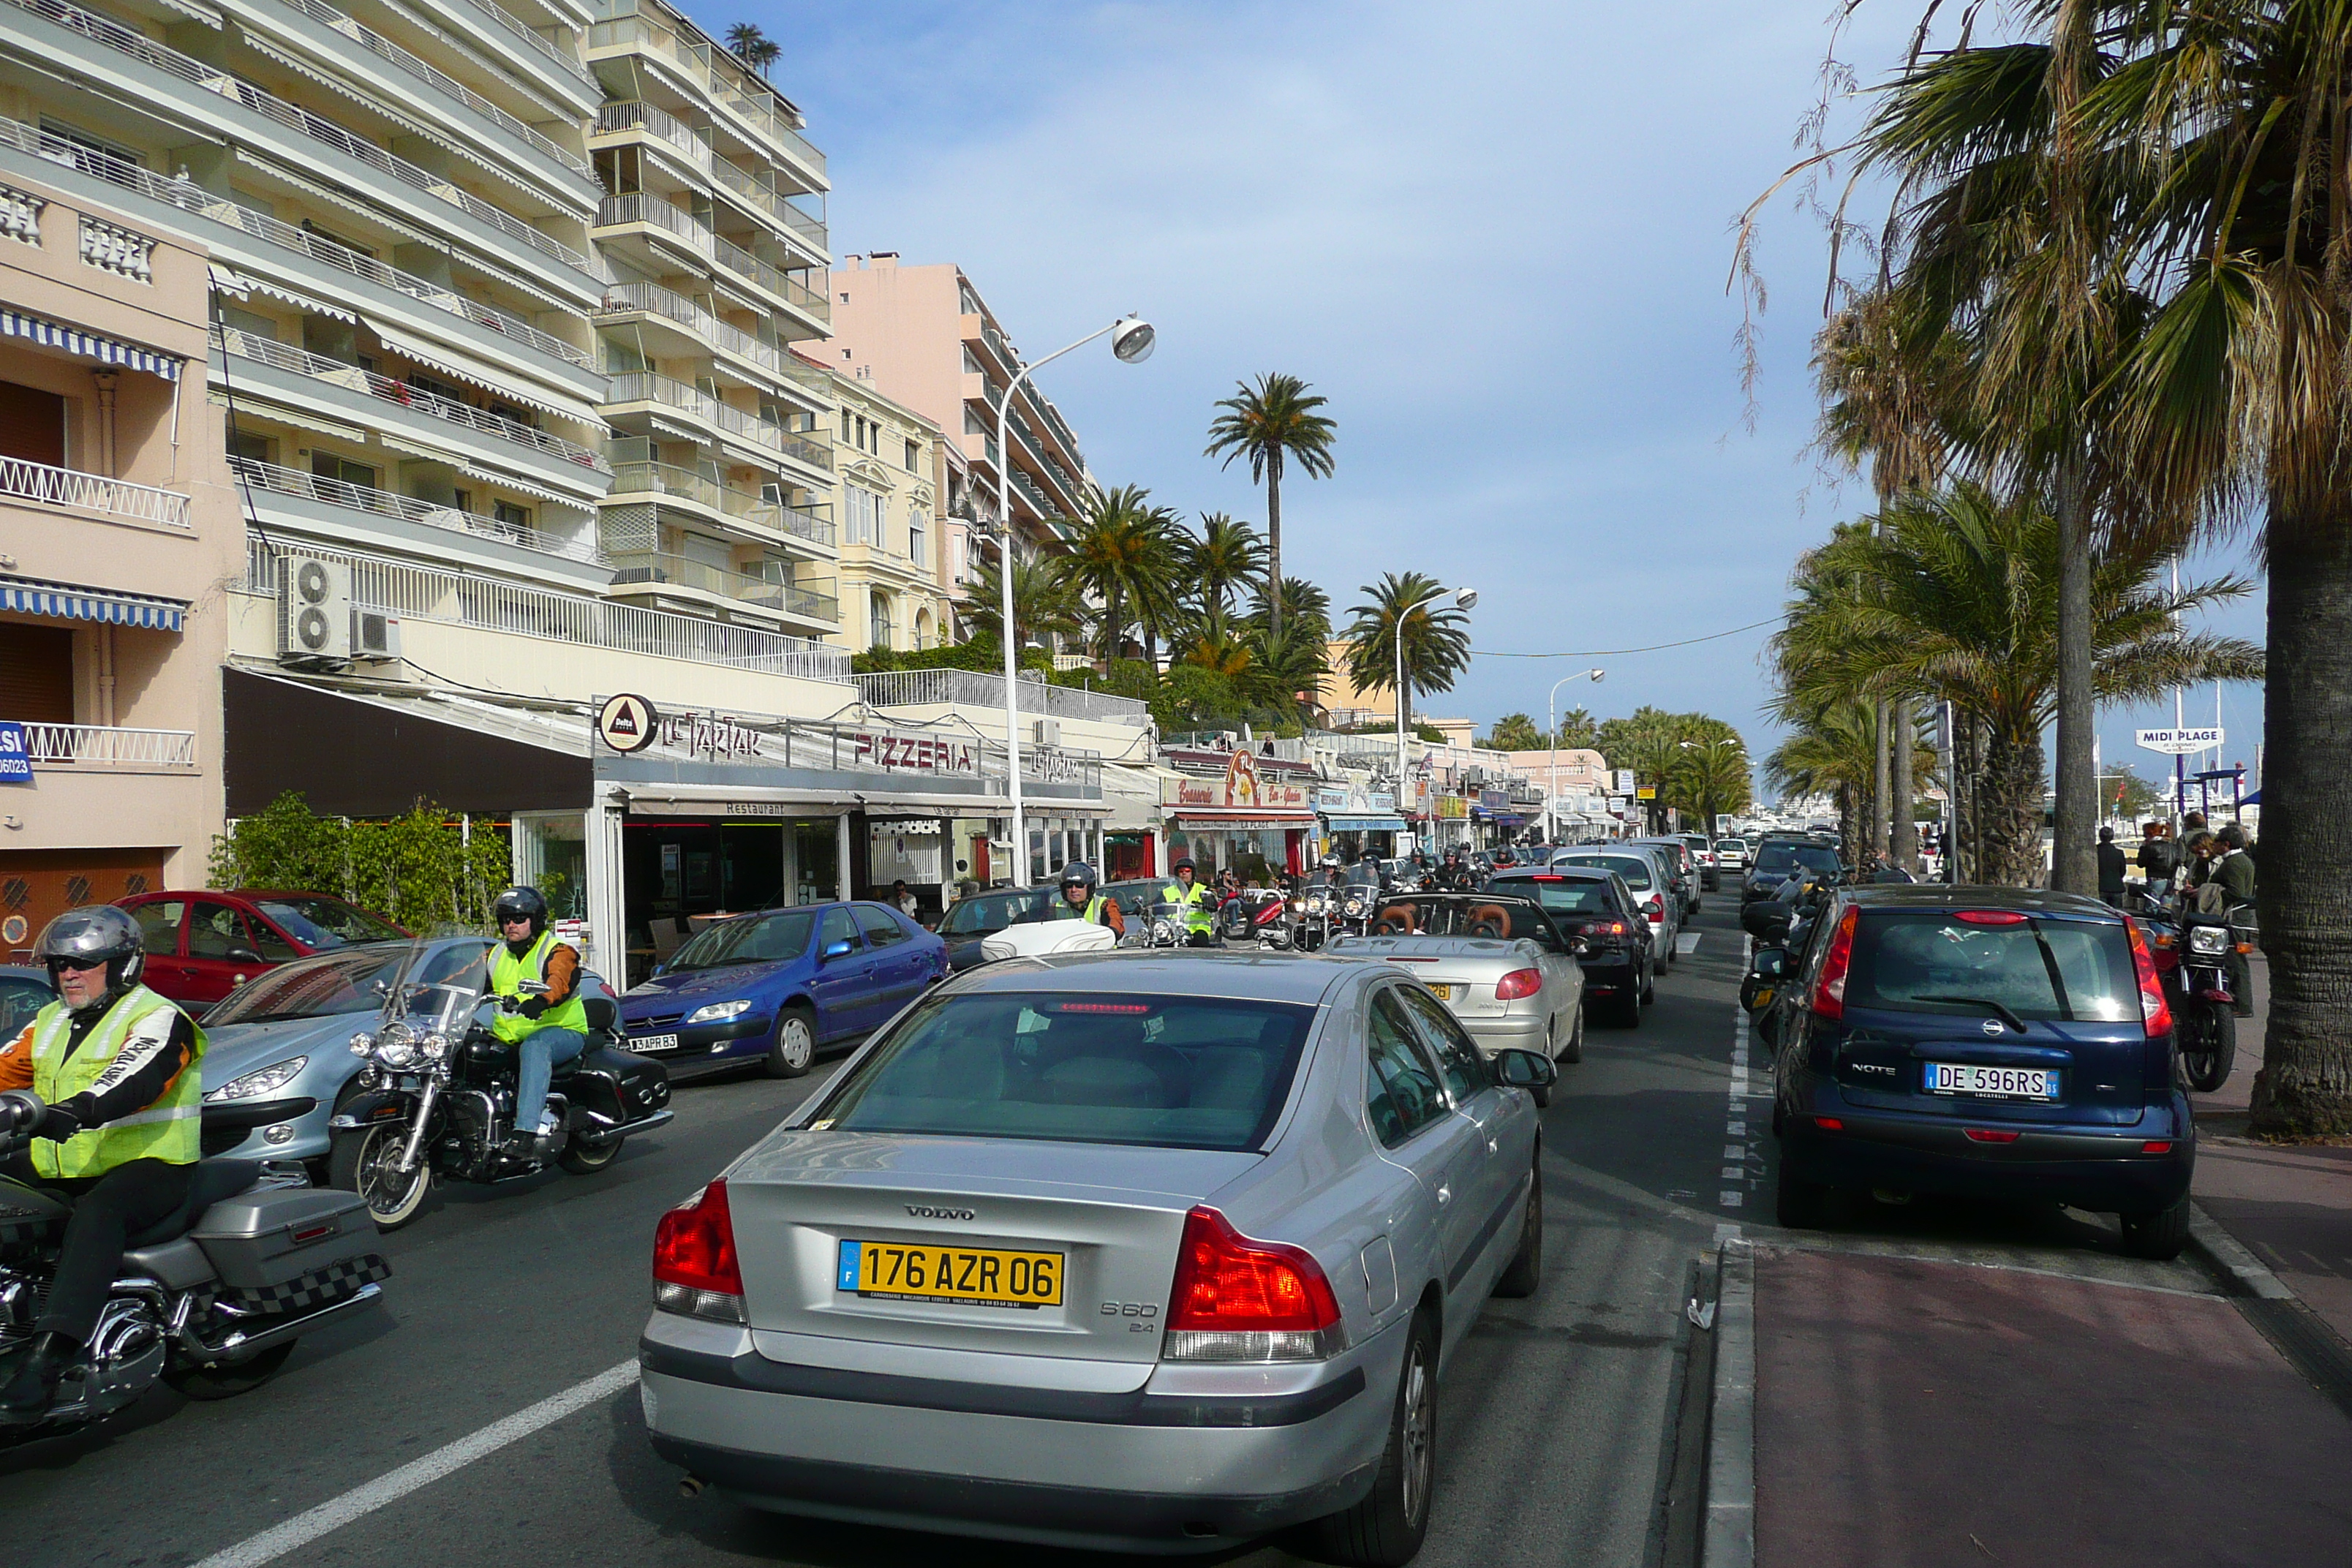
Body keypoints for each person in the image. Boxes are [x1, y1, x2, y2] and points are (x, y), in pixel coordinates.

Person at [0, 906, 205, 1420]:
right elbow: (6, 1069)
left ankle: (49, 1359)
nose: (68, 973)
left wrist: (78, 1109)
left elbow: (135, 1077)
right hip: (67, 1163)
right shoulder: (49, 1021)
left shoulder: (157, 1016)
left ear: (123, 966)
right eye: (60, 963)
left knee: (99, 1215)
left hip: (150, 1165)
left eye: (83, 964)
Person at [488, 886, 587, 1156]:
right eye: (506, 919)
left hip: (563, 1033)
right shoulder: (496, 954)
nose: (511, 925)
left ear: (536, 920)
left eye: (519, 919)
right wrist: (421, 992)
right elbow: (462, 976)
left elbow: (560, 980)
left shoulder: (558, 950)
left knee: (535, 1047)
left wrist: (542, 1000)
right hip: (510, 1037)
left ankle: (525, 1131)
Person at [2209, 824, 2258, 1017]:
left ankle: (2242, 1004)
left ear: (2226, 844)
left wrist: (2210, 893)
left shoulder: (2234, 863)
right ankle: (2240, 1001)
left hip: (2235, 917)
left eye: (2218, 844)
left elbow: (2236, 892)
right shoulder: (2241, 860)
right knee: (2236, 961)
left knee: (2236, 962)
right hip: (2240, 916)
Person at [1050, 862, 1125, 935]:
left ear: (1089, 888)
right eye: (1069, 886)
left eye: (1079, 885)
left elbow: (1116, 925)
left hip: (1100, 947)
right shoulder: (1057, 908)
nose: (1073, 890)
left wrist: (1110, 932)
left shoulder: (1104, 905)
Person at [1159, 856, 1214, 941]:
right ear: (1177, 874)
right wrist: (1143, 907)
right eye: (1181, 871)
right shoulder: (1167, 891)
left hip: (1198, 930)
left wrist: (1210, 901)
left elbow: (1213, 904)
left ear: (1193, 873)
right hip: (1174, 931)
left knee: (1201, 938)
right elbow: (1155, 905)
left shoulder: (1202, 889)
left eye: (1187, 871)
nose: (1184, 873)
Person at [2136, 822, 2177, 892]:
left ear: (2149, 834)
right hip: (2171, 879)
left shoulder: (2149, 847)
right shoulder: (2171, 846)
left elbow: (2141, 863)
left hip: (2155, 878)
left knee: (2153, 902)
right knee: (2167, 903)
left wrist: (2143, 848)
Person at [2097, 826, 2128, 907]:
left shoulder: (2095, 852)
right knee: (2117, 913)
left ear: (2100, 837)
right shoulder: (2119, 853)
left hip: (2100, 886)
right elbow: (2123, 871)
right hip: (2116, 886)